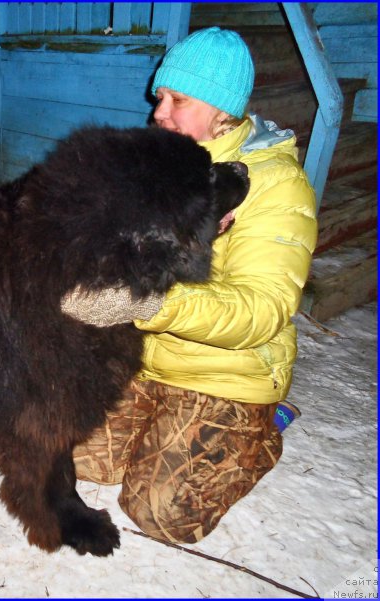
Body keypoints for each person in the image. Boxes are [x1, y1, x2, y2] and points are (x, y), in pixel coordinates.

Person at [61, 26, 318, 544]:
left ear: (222, 110)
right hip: (149, 359)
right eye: (160, 96)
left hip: (227, 371)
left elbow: (262, 308)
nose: (159, 111)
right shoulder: (158, 160)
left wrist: (151, 300)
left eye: (178, 99)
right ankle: (164, 423)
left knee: (163, 511)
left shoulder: (275, 185)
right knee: (80, 458)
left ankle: (259, 434)